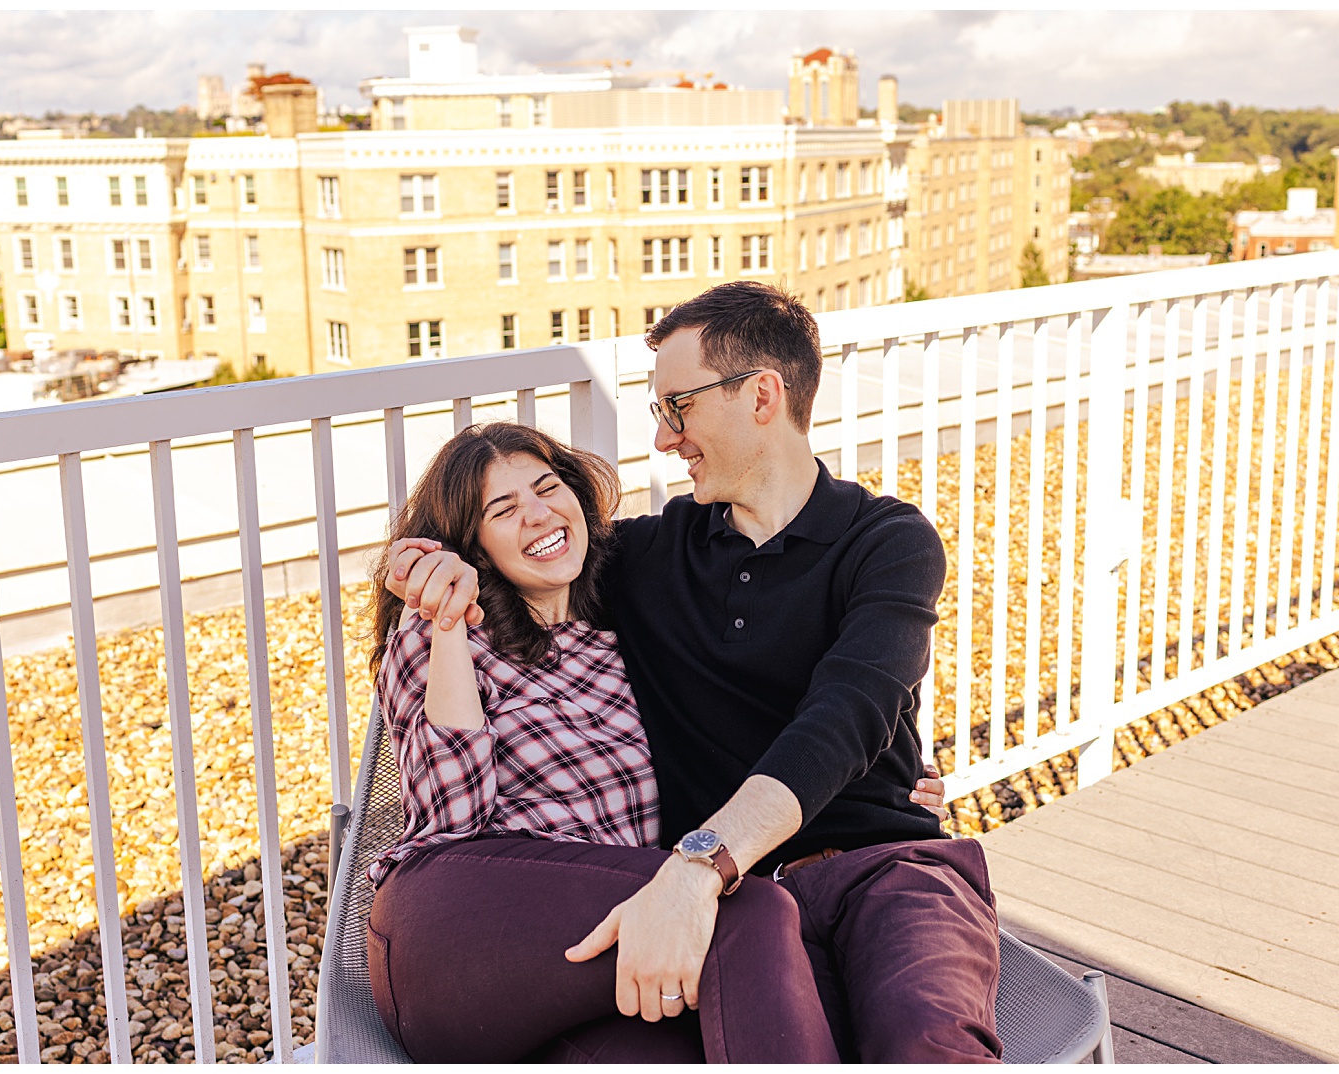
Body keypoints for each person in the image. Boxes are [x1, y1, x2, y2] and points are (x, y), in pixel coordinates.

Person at [388, 281, 1001, 1063]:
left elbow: (848, 714)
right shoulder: (642, 560)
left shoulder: (887, 541)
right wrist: (424, 566)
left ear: (761, 396)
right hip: (732, 909)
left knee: (928, 1045)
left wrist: (702, 860)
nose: (663, 438)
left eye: (676, 407)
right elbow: (523, 557)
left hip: (880, 873)